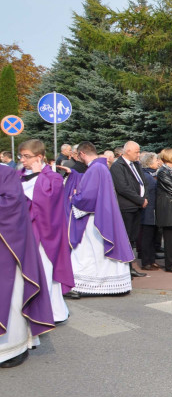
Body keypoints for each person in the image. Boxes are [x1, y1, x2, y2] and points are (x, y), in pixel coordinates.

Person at [0, 166, 54, 369]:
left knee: (8, 296)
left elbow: (12, 205)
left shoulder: (5, 173)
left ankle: (12, 348)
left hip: (6, 246)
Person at [65, 142, 135, 295]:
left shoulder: (95, 169)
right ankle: (114, 285)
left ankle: (80, 285)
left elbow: (88, 197)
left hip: (94, 220)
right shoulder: (101, 167)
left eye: (78, 156)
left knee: (87, 252)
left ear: (82, 154)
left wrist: (74, 198)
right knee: (97, 253)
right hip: (102, 216)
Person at [18, 139, 75, 322]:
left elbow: (46, 202)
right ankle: (50, 311)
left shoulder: (53, 178)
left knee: (45, 272)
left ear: (40, 157)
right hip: (24, 232)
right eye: (21, 156)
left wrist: (37, 176)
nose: (23, 160)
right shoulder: (19, 174)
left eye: (27, 156)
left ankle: (47, 313)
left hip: (45, 234)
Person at [109, 140, 149, 278]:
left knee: (132, 238)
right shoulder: (118, 166)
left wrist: (145, 197)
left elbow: (142, 182)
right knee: (126, 238)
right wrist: (140, 199)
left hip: (137, 206)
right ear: (128, 151)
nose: (139, 155)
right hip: (126, 207)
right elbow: (123, 188)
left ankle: (130, 267)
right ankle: (125, 267)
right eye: (137, 152)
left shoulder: (136, 165)